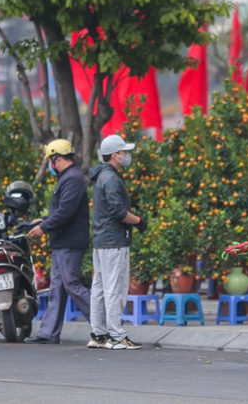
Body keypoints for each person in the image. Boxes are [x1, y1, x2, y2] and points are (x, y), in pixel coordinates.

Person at [25, 139, 91, 345]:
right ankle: (48, 333)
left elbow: (66, 212)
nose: (50, 166)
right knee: (57, 288)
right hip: (63, 241)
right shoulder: (67, 178)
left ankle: (104, 324)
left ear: (56, 159)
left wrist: (43, 227)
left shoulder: (72, 179)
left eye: (50, 161)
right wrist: (43, 220)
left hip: (70, 242)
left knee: (71, 284)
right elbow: (62, 211)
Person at [88, 135, 147, 350]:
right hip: (114, 240)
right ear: (115, 155)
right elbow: (118, 211)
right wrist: (139, 221)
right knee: (114, 288)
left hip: (101, 240)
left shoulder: (101, 176)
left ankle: (98, 334)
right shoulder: (111, 179)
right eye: (123, 152)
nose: (126, 155)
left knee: (100, 287)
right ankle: (116, 335)